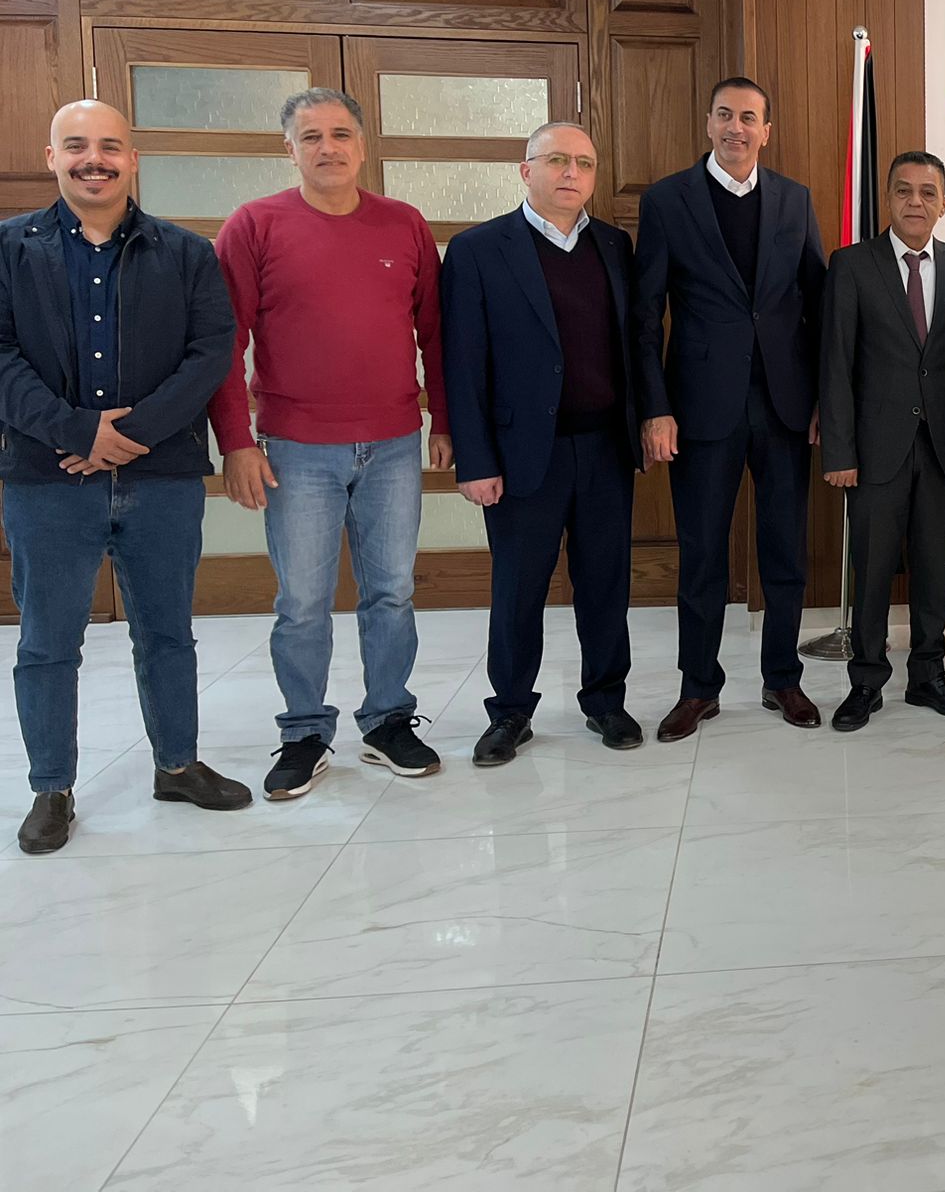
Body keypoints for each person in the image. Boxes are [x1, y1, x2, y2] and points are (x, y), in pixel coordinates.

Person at [1, 101, 248, 853]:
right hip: (48, 478)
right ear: (52, 157)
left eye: (110, 146)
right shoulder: (8, 249)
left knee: (167, 632)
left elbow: (212, 351)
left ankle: (177, 765)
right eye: (76, 145)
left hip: (164, 476)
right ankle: (51, 787)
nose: (94, 159)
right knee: (48, 642)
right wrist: (80, 432)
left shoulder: (187, 253)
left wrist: (128, 436)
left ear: (132, 160)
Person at [211, 88, 450, 799]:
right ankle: (304, 733)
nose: (327, 148)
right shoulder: (254, 225)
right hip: (296, 448)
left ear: (362, 144)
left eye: (340, 134)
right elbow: (225, 342)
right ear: (289, 149)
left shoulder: (405, 225)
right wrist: (237, 442)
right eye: (310, 136)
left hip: (394, 444)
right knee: (303, 600)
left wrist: (446, 422)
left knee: (392, 592)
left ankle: (388, 721)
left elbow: (437, 333)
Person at [440, 122, 644, 766]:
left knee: (605, 583)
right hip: (523, 453)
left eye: (584, 162)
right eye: (556, 160)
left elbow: (633, 344)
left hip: (605, 448)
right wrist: (475, 459)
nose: (571, 173)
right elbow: (462, 361)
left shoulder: (614, 245)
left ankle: (606, 700)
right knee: (519, 588)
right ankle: (509, 711)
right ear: (525, 170)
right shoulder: (478, 249)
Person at [634, 77, 826, 742]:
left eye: (748, 117)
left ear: (766, 131)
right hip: (699, 408)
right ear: (709, 123)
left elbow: (817, 303)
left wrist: (823, 400)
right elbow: (645, 316)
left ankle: (783, 679)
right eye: (724, 115)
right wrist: (656, 408)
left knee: (785, 553)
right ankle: (698, 688)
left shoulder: (795, 200)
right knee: (702, 555)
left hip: (783, 406)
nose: (735, 127)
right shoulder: (667, 200)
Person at [820, 151, 945, 732]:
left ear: (944, 203)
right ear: (888, 199)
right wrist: (839, 452)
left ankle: (928, 675)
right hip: (872, 451)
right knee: (872, 568)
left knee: (933, 568)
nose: (916, 201)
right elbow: (835, 363)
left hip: (941, 448)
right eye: (904, 191)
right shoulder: (852, 265)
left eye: (927, 192)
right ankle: (866, 681)